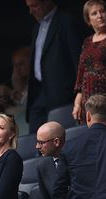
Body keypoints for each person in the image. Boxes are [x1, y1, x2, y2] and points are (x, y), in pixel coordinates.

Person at [25, 0, 82, 133]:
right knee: (35, 131)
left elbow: (77, 59)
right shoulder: (36, 28)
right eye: (29, 7)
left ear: (47, 2)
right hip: (40, 91)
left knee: (59, 134)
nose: (31, 11)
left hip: (62, 92)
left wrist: (79, 91)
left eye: (34, 6)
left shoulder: (66, 22)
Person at [35, 121, 66, 199]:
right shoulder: (42, 166)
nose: (37, 147)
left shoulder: (75, 159)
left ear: (56, 142)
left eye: (41, 143)